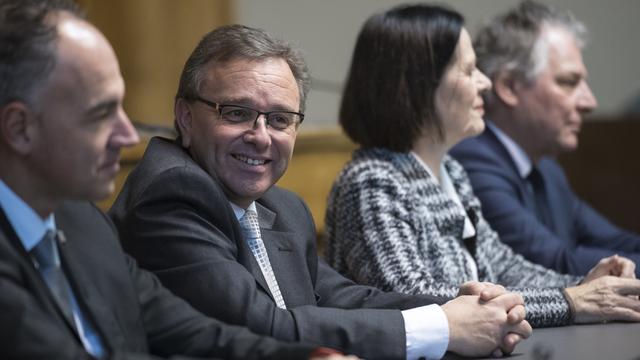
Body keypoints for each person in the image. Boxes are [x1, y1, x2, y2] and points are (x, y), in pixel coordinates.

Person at [109, 23, 533, 360]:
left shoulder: (281, 205)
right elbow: (259, 324)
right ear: (185, 116)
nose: (260, 137)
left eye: (279, 119)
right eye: (237, 113)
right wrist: (443, 328)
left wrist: (457, 307)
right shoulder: (172, 192)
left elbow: (341, 296)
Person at [0, 1, 357, 359]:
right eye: (101, 114)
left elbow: (190, 331)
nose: (127, 136)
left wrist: (310, 357)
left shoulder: (81, 221)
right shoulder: (164, 194)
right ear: (20, 129)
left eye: (280, 119)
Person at [325, 3, 640, 330]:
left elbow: (503, 267)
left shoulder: (452, 173)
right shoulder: (371, 182)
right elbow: (414, 299)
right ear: (418, 85)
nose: (485, 83)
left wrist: (586, 286)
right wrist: (570, 300)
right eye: (469, 70)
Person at [449, 1, 640, 276]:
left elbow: (617, 241)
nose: (590, 101)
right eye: (568, 82)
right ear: (509, 87)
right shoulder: (472, 160)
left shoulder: (546, 167)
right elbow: (554, 265)